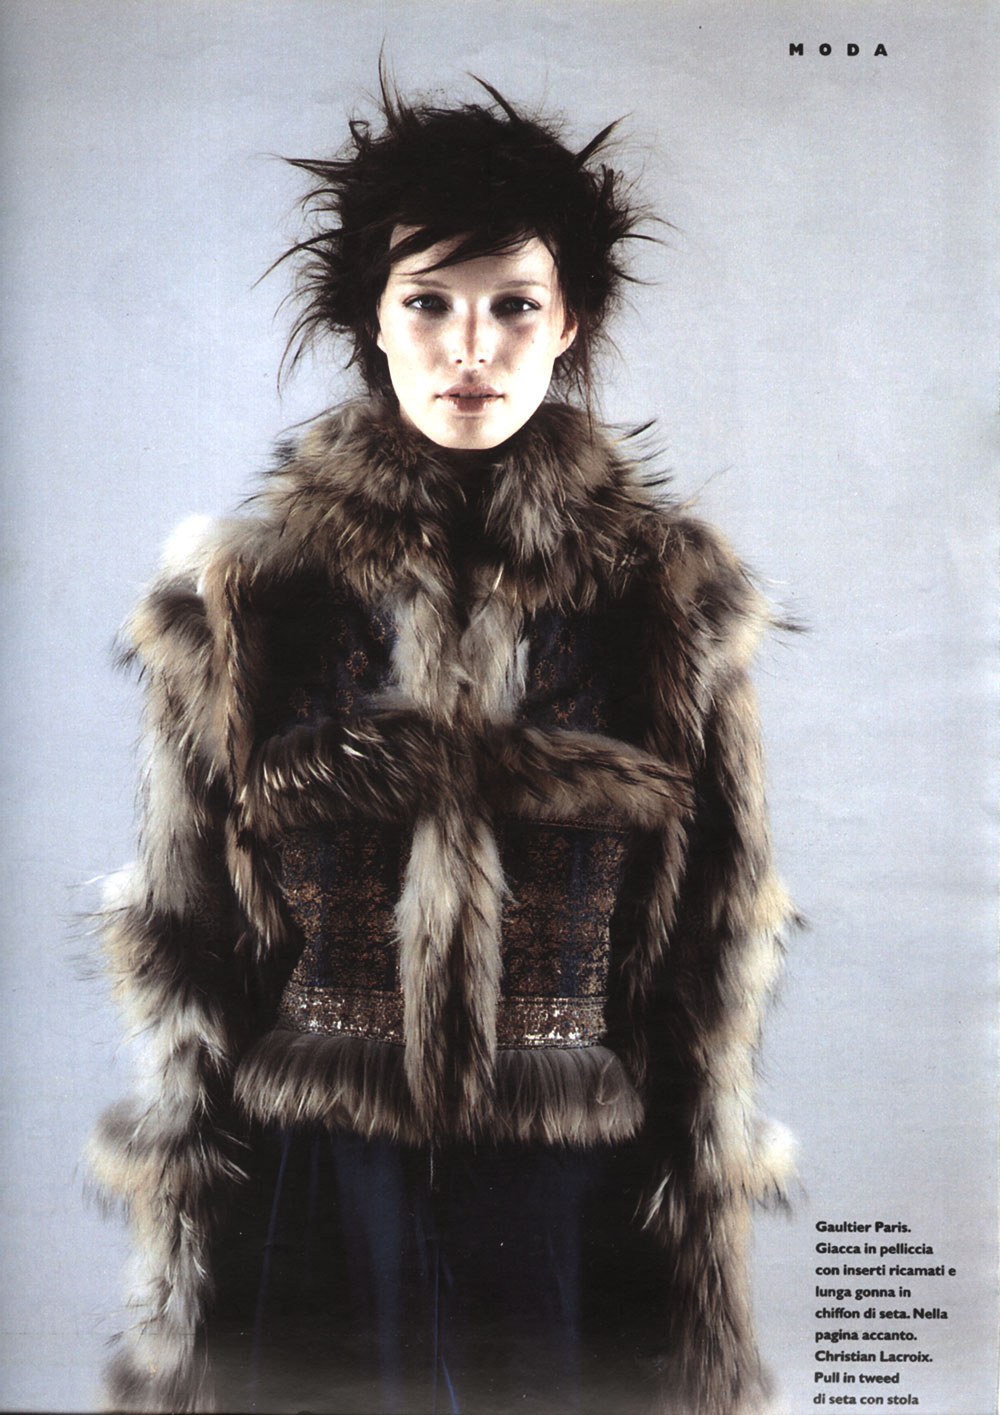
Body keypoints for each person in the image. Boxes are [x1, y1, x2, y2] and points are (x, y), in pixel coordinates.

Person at [90, 76, 795, 1415]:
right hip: (316, 1172)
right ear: (373, 318)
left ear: (568, 322)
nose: (472, 346)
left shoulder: (667, 597)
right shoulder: (246, 600)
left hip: (572, 1182)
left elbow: (709, 949)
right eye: (429, 302)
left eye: (513, 305)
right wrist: (191, 1232)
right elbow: (189, 949)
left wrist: (688, 1225)